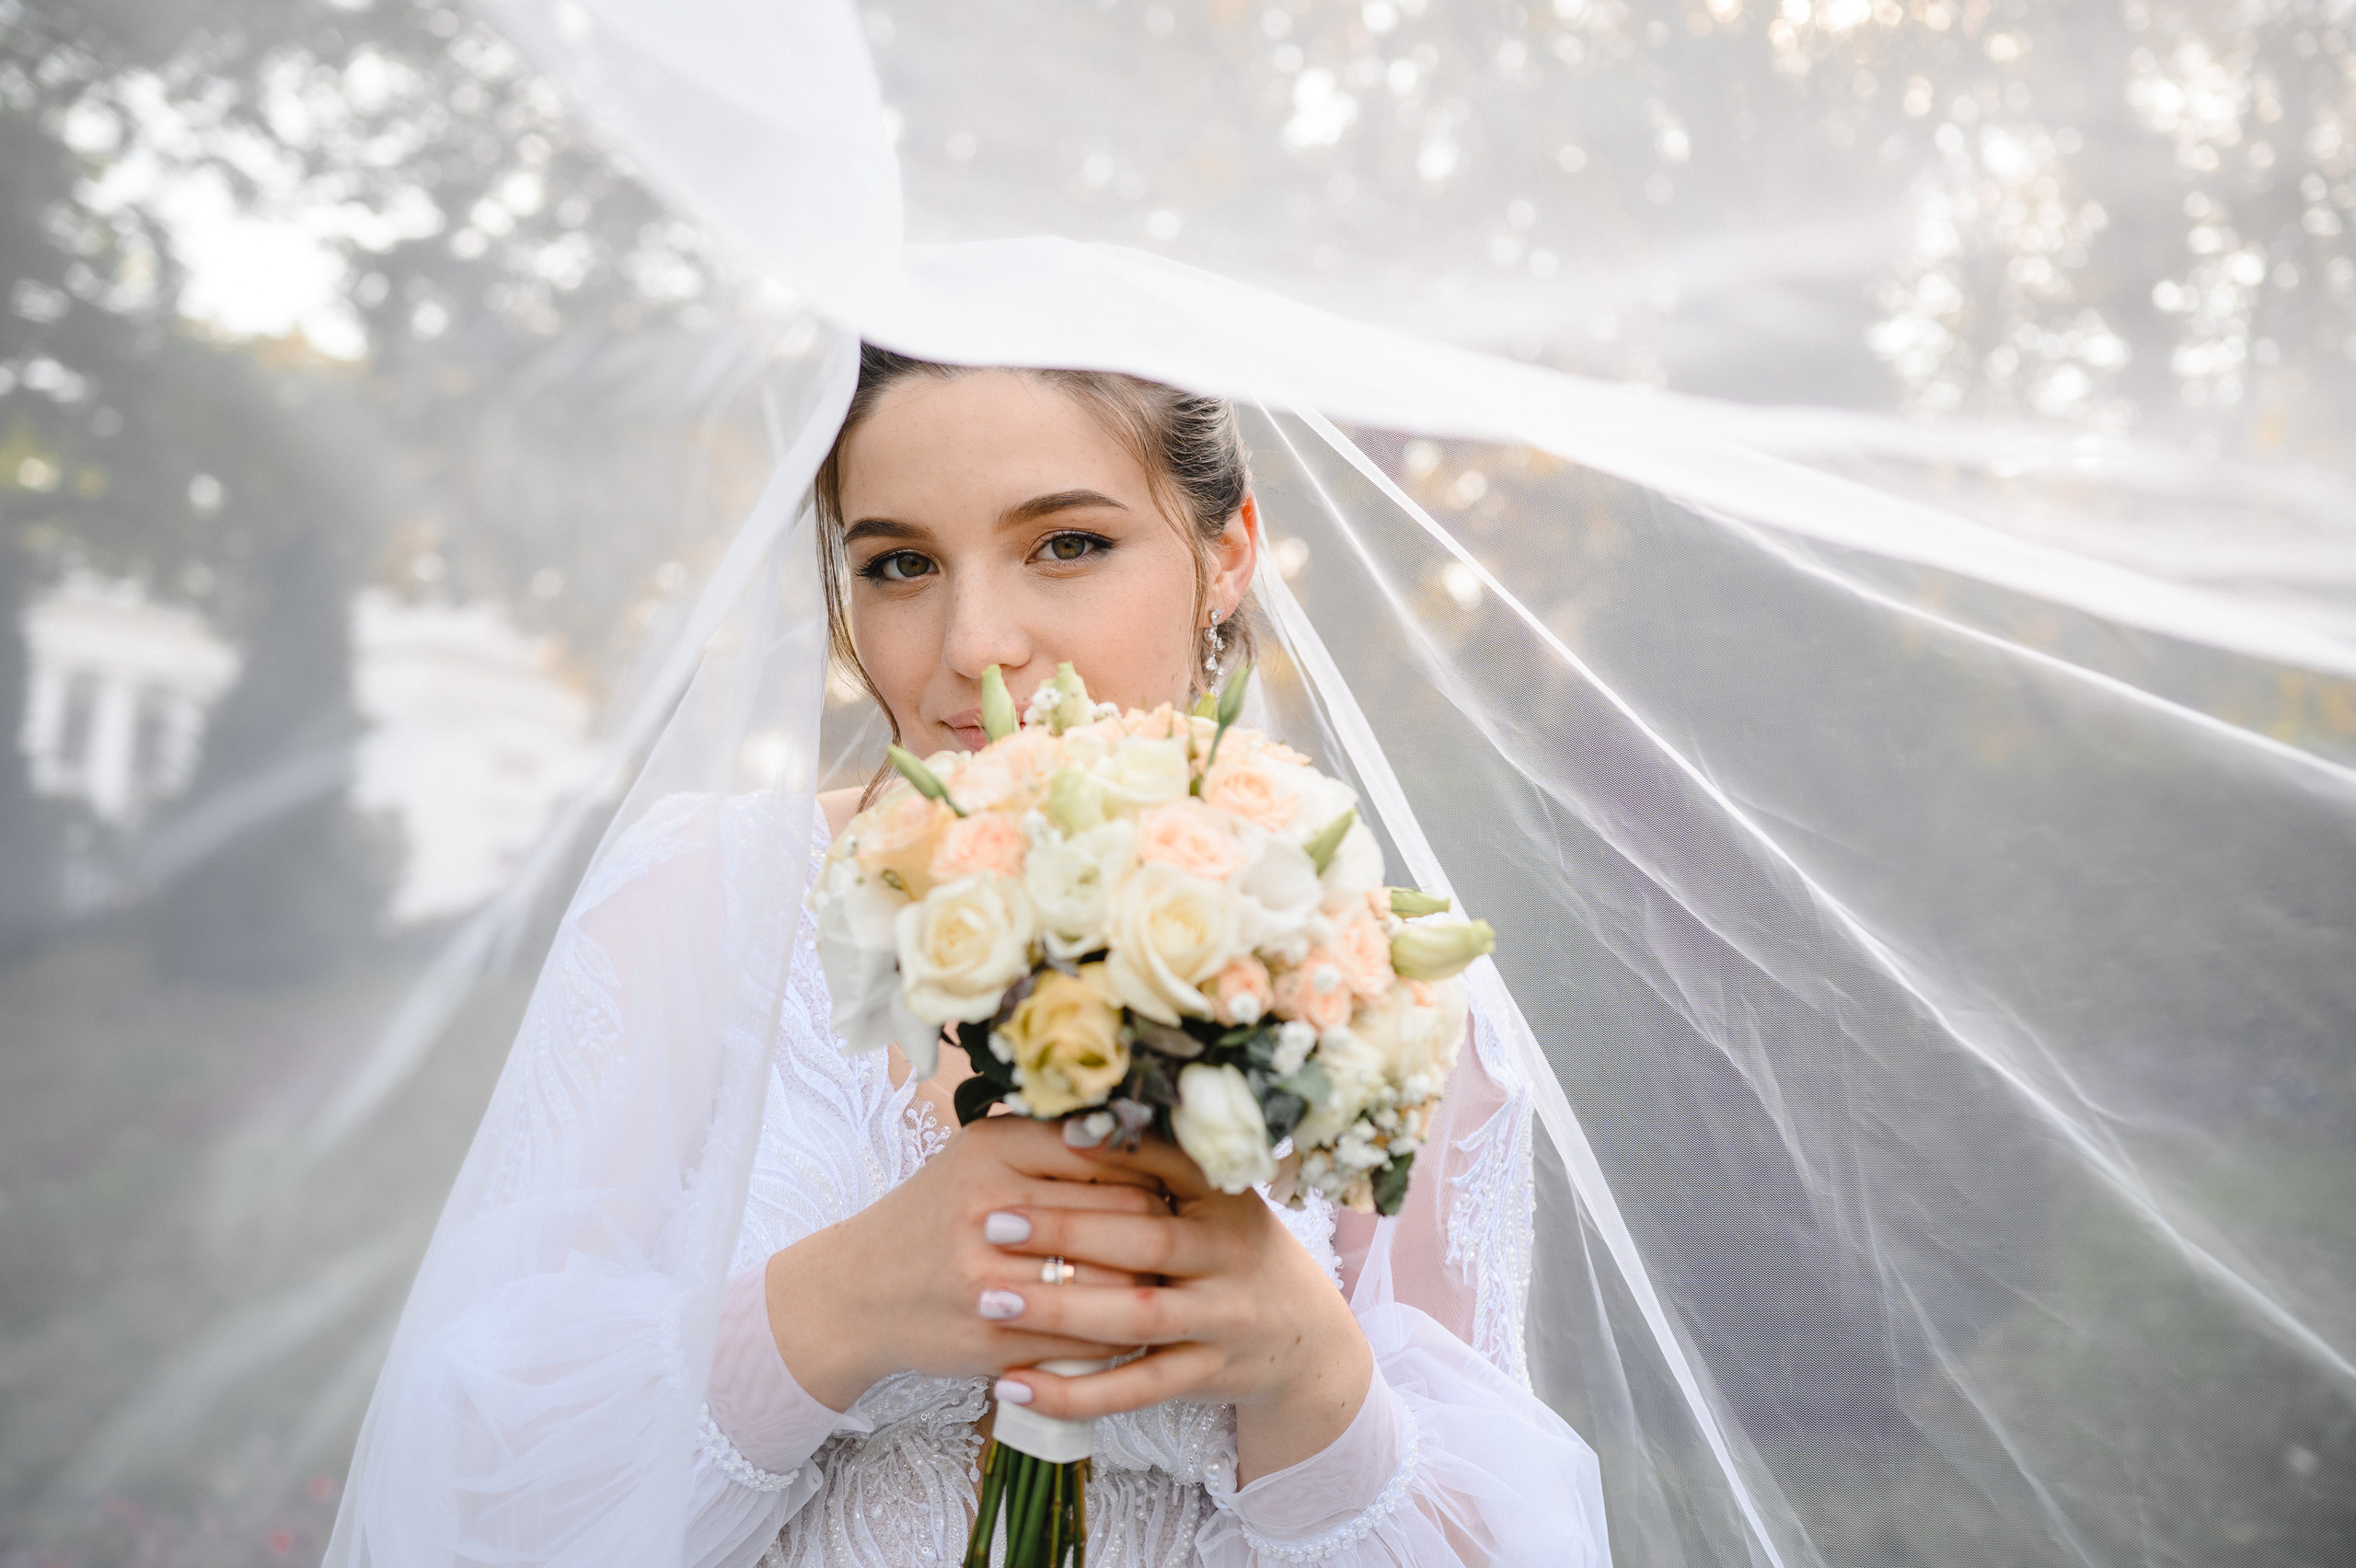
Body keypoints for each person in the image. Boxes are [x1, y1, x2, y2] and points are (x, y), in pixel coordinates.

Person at [681, 347, 1608, 1565]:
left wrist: (1312, 1382)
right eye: (899, 564)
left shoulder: (1382, 983)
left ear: (1226, 556)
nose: (972, 641)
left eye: (1067, 544)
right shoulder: (698, 904)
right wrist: (839, 1304)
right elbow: (498, 1487)